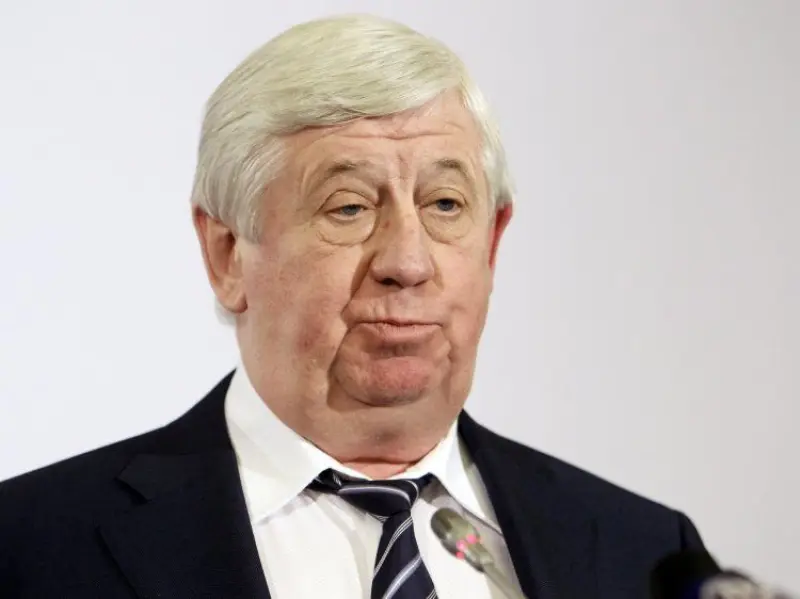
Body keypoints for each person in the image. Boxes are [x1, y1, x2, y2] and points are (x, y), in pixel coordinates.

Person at [0, 14, 704, 599]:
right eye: (349, 207)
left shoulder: (647, 557)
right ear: (227, 253)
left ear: (492, 243)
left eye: (445, 204)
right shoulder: (30, 550)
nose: (407, 262)